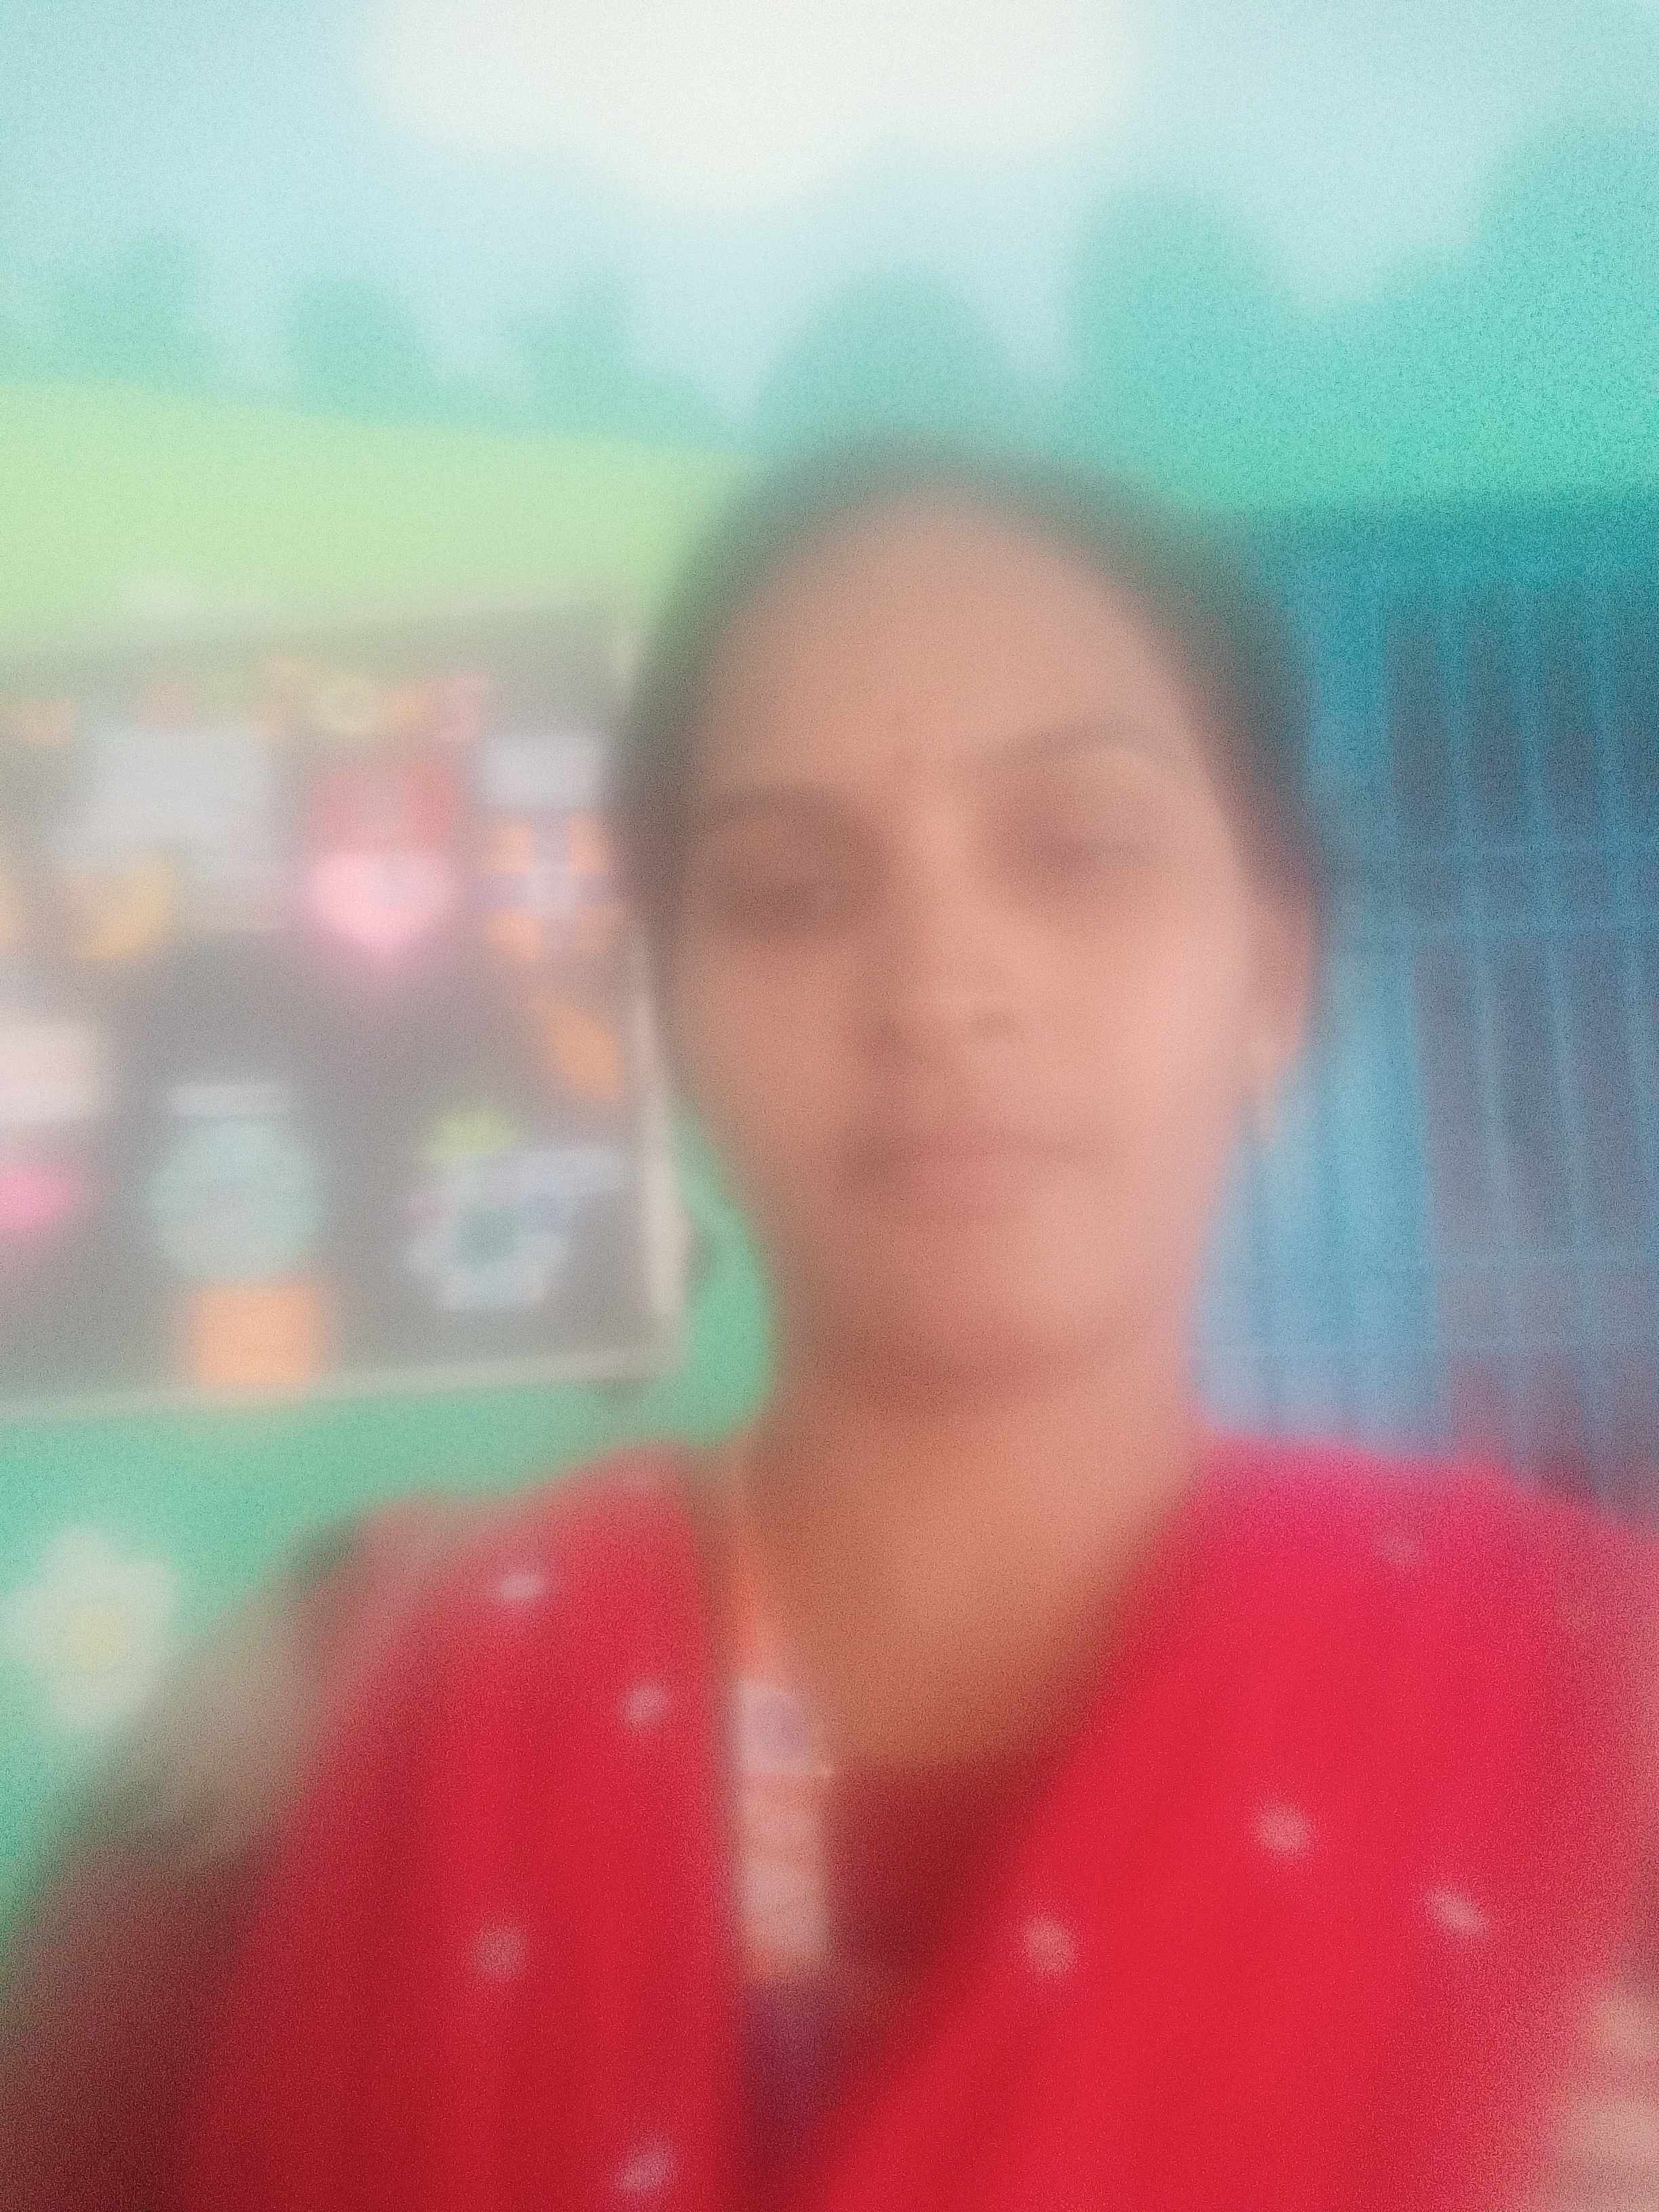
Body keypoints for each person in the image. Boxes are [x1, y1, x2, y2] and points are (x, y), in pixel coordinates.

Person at [5, 438, 1659, 2210]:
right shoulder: (331, 1716)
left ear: (1270, 980)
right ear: (673, 1018)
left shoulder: (1591, 1710)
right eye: (788, 892)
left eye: (1077, 850)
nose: (940, 985)